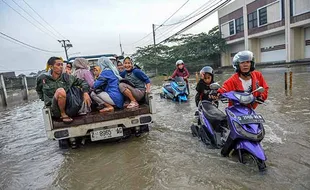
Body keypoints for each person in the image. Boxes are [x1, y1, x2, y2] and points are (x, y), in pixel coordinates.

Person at [36, 57, 91, 123]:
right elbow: (38, 90)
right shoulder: (43, 78)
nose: (61, 67)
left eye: (62, 65)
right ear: (51, 67)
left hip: (68, 106)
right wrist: (44, 99)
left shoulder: (67, 77)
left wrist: (85, 93)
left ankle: (69, 111)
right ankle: (63, 114)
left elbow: (83, 82)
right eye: (58, 65)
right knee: (60, 91)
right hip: (54, 108)